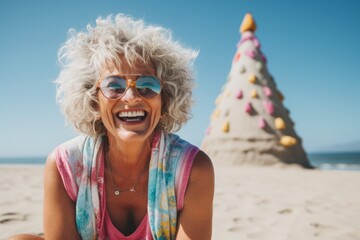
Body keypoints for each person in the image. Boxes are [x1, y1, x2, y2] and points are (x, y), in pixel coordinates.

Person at [8, 14, 214, 240]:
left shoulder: (193, 169)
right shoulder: (64, 165)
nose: (132, 97)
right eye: (114, 86)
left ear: (165, 100)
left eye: (148, 85)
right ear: (93, 101)